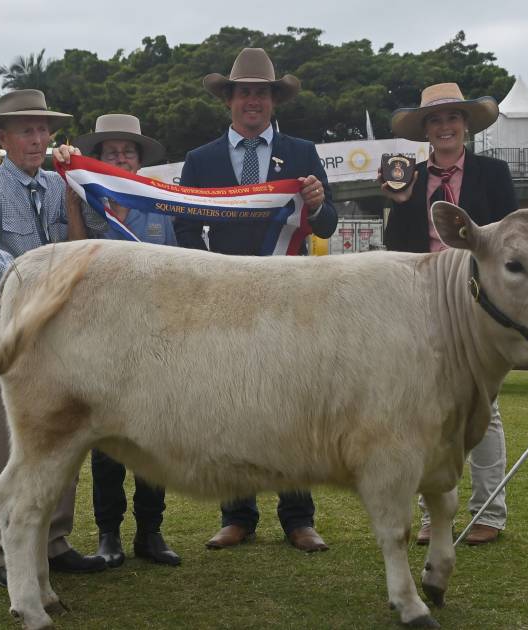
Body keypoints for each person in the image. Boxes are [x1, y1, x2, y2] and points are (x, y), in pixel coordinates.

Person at [174, 47, 337, 553]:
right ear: (229, 99)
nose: (252, 100)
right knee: (230, 406)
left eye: (261, 92)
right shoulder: (200, 160)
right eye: (243, 91)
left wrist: (317, 203)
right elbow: (183, 224)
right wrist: (205, 273)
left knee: (293, 405)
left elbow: (327, 225)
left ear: (273, 99)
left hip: (289, 299)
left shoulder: (304, 153)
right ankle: (237, 514)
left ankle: (298, 517)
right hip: (225, 302)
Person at [0, 89, 110, 587]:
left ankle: (54, 540)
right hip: (9, 320)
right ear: (2, 139)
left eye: (44, 130)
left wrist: (83, 182)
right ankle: (4, 553)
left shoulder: (58, 182)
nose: (38, 138)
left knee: (63, 432)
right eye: (27, 130)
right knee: (8, 442)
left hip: (58, 326)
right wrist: (20, 271)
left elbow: (94, 233)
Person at [381, 82, 517, 547]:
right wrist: (399, 206)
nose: (445, 128)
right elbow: (397, 250)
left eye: (452, 119)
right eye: (436, 121)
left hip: (477, 305)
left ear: (465, 126)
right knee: (424, 413)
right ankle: (430, 517)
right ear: (426, 131)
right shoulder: (408, 178)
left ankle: (489, 512)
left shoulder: (493, 174)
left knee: (485, 409)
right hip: (423, 303)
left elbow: (508, 244)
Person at [70, 114, 180, 567]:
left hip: (153, 338)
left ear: (139, 160)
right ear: (97, 159)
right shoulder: (82, 201)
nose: (120, 159)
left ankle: (150, 533)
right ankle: (108, 534)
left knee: (154, 440)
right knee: (107, 442)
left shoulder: (160, 204)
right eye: (111, 152)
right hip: (102, 340)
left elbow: (178, 268)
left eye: (127, 152)